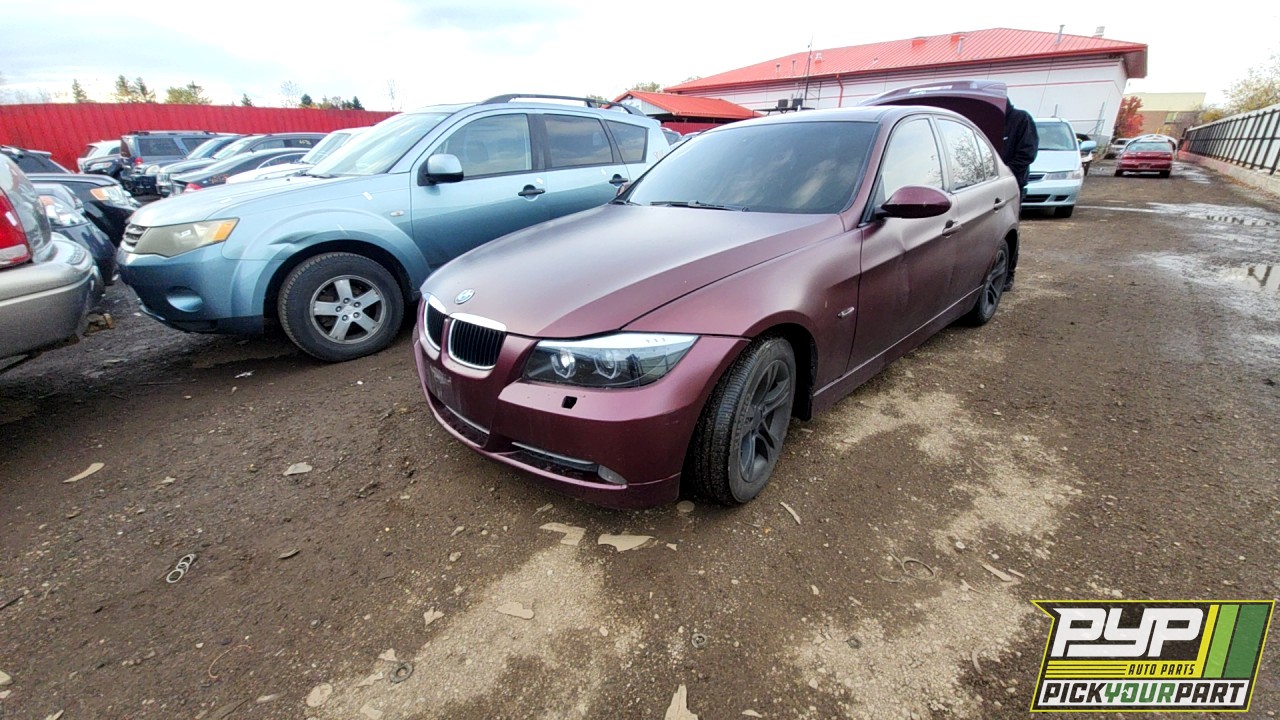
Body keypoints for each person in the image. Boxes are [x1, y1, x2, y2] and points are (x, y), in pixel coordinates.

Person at [1000, 100, 1038, 290]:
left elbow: (1027, 153)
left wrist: (1005, 174)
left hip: (1012, 183)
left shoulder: (1020, 119)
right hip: (985, 183)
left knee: (1008, 227)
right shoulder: (989, 121)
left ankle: (1008, 274)